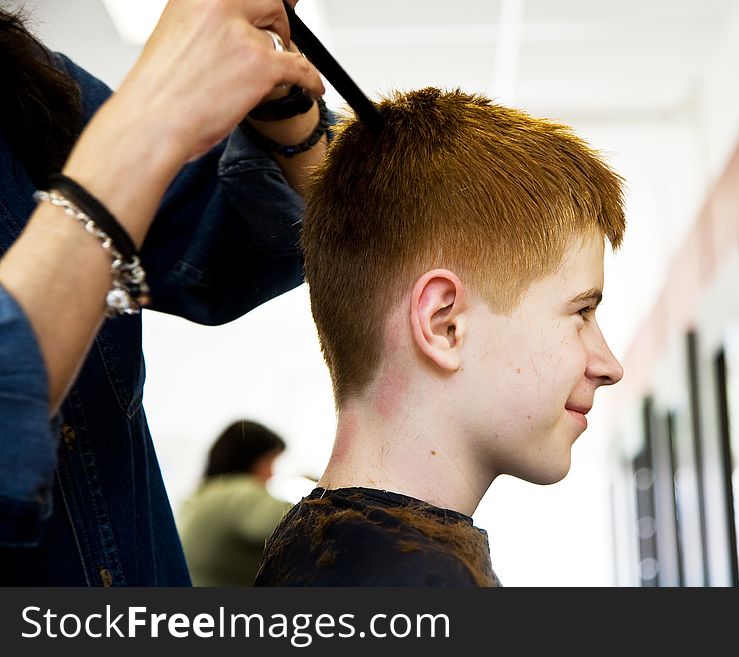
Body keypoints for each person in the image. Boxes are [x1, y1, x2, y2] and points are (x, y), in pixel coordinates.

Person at [0, 0, 327, 585]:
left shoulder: (23, 78)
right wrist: (154, 113)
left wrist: (282, 108)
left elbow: (214, 245)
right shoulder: (235, 501)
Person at [255, 87, 626, 587]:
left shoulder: (327, 551)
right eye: (581, 311)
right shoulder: (402, 584)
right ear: (444, 324)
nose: (608, 366)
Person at [177, 420, 291, 586]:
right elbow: (300, 523)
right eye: (270, 462)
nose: (272, 473)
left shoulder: (201, 495)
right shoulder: (240, 494)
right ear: (251, 459)